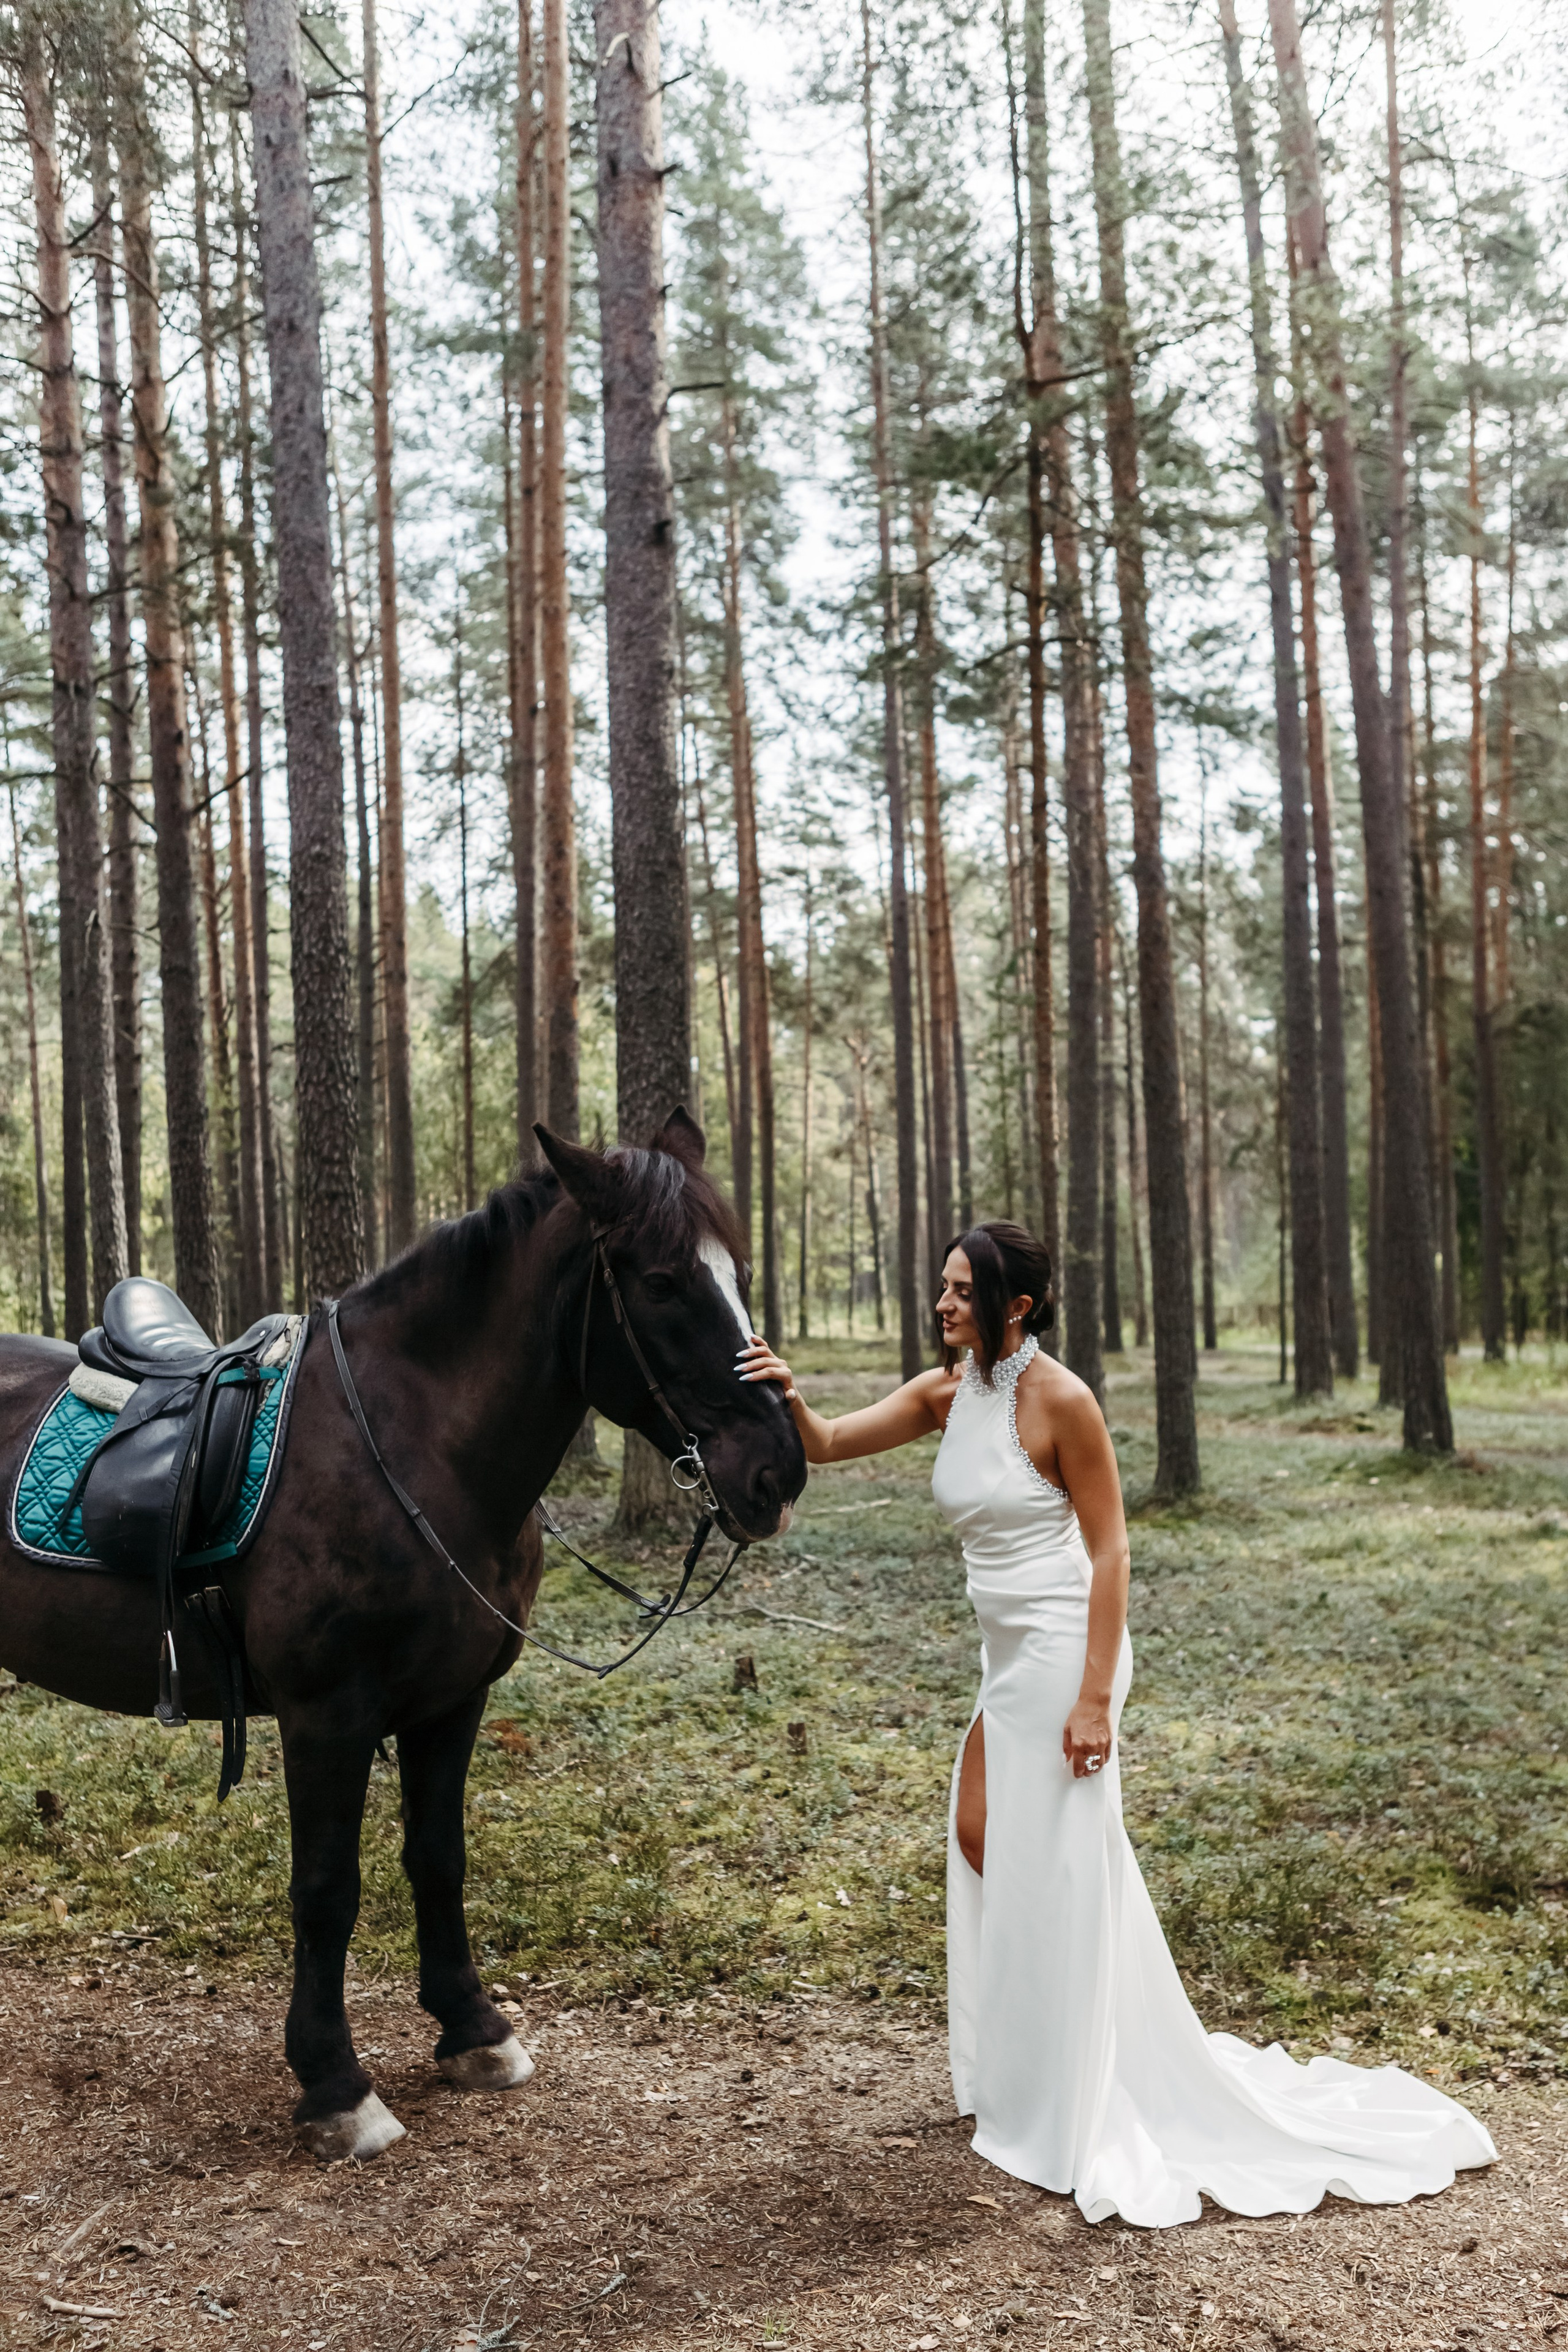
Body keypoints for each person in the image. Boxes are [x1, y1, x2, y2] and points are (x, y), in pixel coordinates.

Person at [737, 1219, 1494, 2228]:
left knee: (1055, 1860)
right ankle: (1026, 2067)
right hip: (1005, 1660)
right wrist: (785, 1388)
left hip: (1066, 1652)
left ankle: (1075, 2098)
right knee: (979, 1838)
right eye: (944, 1288)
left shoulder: (1063, 1401)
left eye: (965, 1291)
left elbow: (1111, 1552)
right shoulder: (944, 1392)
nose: (945, 1303)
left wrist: (1097, 1697)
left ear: (1019, 1306)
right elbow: (827, 1445)